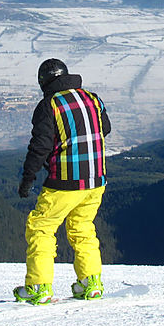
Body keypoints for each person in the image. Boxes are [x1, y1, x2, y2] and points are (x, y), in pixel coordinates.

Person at [14, 59, 112, 305]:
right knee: (82, 228)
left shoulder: (49, 106)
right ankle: (91, 284)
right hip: (96, 179)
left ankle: (39, 286)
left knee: (41, 227)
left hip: (66, 181)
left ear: (43, 81)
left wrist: (28, 178)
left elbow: (40, 147)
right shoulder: (93, 98)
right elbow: (105, 128)